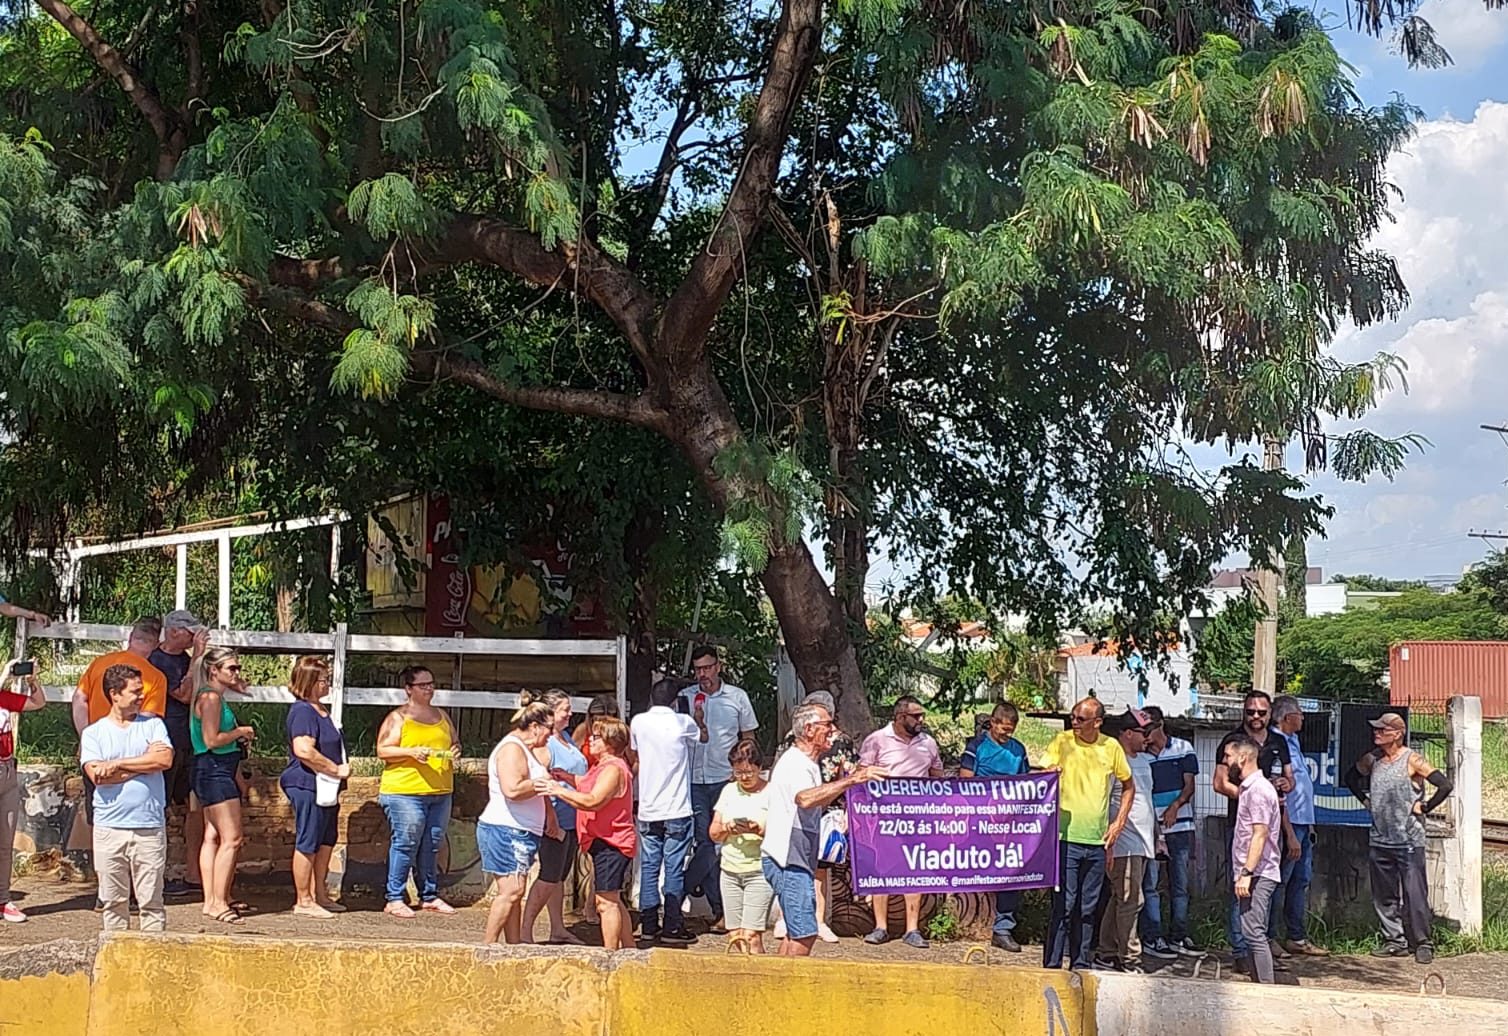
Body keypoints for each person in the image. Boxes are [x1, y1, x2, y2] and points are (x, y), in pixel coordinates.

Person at [763, 701, 885, 956]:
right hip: (788, 860)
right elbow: (805, 799)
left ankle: (778, 986)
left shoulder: (807, 763)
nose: (834, 729)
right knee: (806, 933)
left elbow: (817, 801)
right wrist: (853, 779)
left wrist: (844, 785)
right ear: (808, 729)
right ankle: (789, 991)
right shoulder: (795, 762)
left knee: (796, 933)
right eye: (827, 724)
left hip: (795, 859)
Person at [1343, 712, 1454, 965]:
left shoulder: (1412, 760)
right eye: (1376, 729)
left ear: (1397, 734)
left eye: (1382, 730)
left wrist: (1425, 807)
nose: (1377, 733)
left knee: (1415, 895)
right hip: (1380, 840)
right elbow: (1350, 778)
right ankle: (1394, 941)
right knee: (1384, 896)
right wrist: (1365, 801)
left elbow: (1444, 785)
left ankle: (1423, 942)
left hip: (1408, 841)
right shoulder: (1373, 760)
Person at [1040, 696, 1133, 971]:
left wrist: (1118, 824)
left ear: (1098, 722)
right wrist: (1049, 772)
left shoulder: (1111, 747)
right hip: (1064, 837)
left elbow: (1129, 785)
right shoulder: (1062, 741)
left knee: (1088, 907)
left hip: (1096, 841)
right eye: (1073, 716)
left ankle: (1081, 963)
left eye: (1081, 718)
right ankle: (1052, 964)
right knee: (1063, 906)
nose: (1075, 722)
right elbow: (1042, 772)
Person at [79, 664, 173, 932]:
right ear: (115, 694)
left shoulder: (153, 724)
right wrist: (146, 763)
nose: (141, 696)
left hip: (149, 827)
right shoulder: (93, 733)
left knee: (152, 902)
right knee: (113, 902)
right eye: (135, 692)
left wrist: (119, 764)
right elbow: (98, 776)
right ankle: (115, 962)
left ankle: (152, 959)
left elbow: (165, 759)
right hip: (109, 828)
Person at [1213, 690, 1295, 969]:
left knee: (1259, 897)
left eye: (1261, 712)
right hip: (1240, 825)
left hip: (1266, 828)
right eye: (1251, 712)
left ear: (1270, 712)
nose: (1256, 717)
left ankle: (1261, 954)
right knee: (1241, 893)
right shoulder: (1232, 743)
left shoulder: (1278, 742)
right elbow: (1219, 782)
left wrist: (1281, 786)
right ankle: (1242, 953)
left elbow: (1289, 780)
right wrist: (1248, 795)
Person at [540, 714, 636, 949]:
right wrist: (566, 778)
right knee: (611, 896)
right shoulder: (603, 766)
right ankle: (630, 947)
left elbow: (593, 800)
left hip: (612, 842)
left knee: (605, 902)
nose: (590, 740)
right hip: (601, 840)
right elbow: (586, 783)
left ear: (610, 743)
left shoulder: (614, 769)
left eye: (597, 737)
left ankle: (609, 952)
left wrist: (558, 790)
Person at [680, 645, 758, 932]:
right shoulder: (686, 699)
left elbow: (748, 738)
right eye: (698, 669)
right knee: (705, 843)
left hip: (725, 780)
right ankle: (719, 910)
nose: (703, 674)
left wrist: (744, 774)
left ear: (718, 667)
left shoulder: (737, 697)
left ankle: (681, 890)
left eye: (707, 668)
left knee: (718, 844)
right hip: (693, 780)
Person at [375, 665, 460, 918]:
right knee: (406, 842)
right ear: (409, 689)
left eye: (431, 683)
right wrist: (410, 752)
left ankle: (429, 895)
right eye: (423, 685)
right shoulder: (398, 718)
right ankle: (394, 897)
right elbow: (382, 750)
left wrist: (455, 750)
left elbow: (454, 741)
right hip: (405, 791)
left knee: (432, 843)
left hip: (440, 790)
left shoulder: (442, 715)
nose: (429, 689)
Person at [860, 694, 943, 948]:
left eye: (922, 715)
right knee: (881, 870)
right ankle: (880, 927)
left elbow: (937, 777)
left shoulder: (928, 743)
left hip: (918, 819)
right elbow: (860, 774)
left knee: (914, 869)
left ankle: (912, 929)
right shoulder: (876, 740)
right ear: (899, 717)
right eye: (915, 716)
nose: (921, 720)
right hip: (883, 818)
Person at [775, 689, 857, 943]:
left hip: (829, 808)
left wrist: (845, 810)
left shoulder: (840, 740)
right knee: (791, 867)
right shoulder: (793, 741)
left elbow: (850, 773)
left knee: (820, 867)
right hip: (797, 809)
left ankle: (819, 920)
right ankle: (786, 919)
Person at [630, 676, 707, 944]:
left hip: (649, 808)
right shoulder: (682, 722)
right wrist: (697, 716)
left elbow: (636, 753)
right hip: (676, 807)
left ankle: (649, 924)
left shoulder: (638, 722)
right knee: (673, 867)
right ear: (675, 701)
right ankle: (672, 925)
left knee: (650, 867)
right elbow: (703, 736)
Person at [478, 700, 557, 944]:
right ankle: (487, 947)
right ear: (534, 726)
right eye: (549, 729)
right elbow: (512, 789)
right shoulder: (512, 749)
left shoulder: (526, 749)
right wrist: (541, 784)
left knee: (515, 892)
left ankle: (514, 946)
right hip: (506, 830)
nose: (551, 735)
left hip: (519, 831)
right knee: (511, 890)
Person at [189, 646, 255, 924]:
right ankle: (216, 901)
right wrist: (240, 731)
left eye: (237, 667)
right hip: (215, 769)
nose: (237, 673)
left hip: (212, 769)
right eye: (231, 668)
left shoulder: (212, 696)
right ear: (213, 670)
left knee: (212, 836)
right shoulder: (211, 698)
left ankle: (214, 898)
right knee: (232, 838)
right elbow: (212, 739)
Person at [279, 656, 349, 918]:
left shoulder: (320, 709)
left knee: (325, 839)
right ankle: (303, 899)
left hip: (327, 788)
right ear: (309, 682)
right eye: (322, 679)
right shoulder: (303, 712)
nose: (327, 683)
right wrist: (335, 769)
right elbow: (303, 750)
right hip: (308, 784)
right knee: (308, 840)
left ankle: (319, 893)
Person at [959, 700, 1031, 952]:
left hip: (1009, 823)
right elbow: (965, 782)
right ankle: (964, 920)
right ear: (992, 723)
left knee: (1011, 873)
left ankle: (1003, 928)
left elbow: (1026, 785)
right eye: (1003, 729)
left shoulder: (1018, 750)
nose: (1006, 735)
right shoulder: (976, 747)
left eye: (1011, 730)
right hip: (979, 820)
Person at [150, 610, 209, 899]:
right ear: (173, 632)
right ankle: (156, 875)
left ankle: (192, 872)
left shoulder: (187, 660)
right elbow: (184, 694)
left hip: (190, 739)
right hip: (169, 738)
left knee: (193, 804)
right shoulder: (159, 661)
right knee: (160, 803)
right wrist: (197, 658)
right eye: (189, 633)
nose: (193, 638)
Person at [520, 689, 587, 944]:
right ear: (550, 713)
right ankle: (525, 931)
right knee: (549, 876)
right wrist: (551, 818)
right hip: (556, 819)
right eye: (565, 709)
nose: (570, 713)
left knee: (560, 877)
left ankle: (557, 927)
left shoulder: (566, 737)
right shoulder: (545, 745)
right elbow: (540, 783)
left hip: (571, 818)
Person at [1095, 709, 1155, 973]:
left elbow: (1146, 801)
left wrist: (1157, 836)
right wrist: (1110, 838)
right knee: (1132, 899)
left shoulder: (1143, 760)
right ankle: (1130, 957)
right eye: (1144, 733)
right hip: (1124, 840)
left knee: (1120, 898)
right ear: (1128, 733)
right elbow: (1105, 800)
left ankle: (1106, 951)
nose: (1149, 739)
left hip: (1142, 840)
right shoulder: (1112, 760)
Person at [1138, 705, 1200, 958]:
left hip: (1180, 824)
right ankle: (1153, 937)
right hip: (1150, 828)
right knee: (1150, 884)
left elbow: (1189, 785)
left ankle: (1179, 935)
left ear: (1160, 725)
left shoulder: (1183, 748)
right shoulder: (1140, 756)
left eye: (1149, 729)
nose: (1145, 735)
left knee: (1180, 884)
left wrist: (1175, 807)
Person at [1268, 695, 1327, 957]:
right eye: (1300, 713)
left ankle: (1296, 936)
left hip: (1303, 823)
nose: (1303, 718)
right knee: (1279, 880)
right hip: (1287, 824)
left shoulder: (1294, 742)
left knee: (1300, 880)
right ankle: (1269, 936)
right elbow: (1278, 791)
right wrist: (1289, 830)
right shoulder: (1274, 743)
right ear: (1287, 717)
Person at [710, 739, 775, 952]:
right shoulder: (729, 791)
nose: (744, 778)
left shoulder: (772, 793)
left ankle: (761, 978)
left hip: (759, 870)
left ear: (759, 768)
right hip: (729, 870)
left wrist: (758, 829)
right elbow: (713, 833)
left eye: (749, 772)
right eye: (738, 773)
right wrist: (728, 827)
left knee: (752, 935)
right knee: (735, 934)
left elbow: (781, 834)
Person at [1226, 735, 1282, 984]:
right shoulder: (1251, 788)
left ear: (1243, 757)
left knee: (1254, 932)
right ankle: (1258, 984)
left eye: (1228, 756)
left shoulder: (1258, 790)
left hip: (1258, 873)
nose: (1226, 762)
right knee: (1250, 931)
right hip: (1253, 872)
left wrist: (1247, 873)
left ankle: (1266, 989)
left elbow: (1260, 833)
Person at [0, 660, 46, 923]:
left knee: (5, 842)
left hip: (7, 769)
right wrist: (4, 675)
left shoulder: (4, 698)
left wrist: (32, 681)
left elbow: (37, 703)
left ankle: (3, 899)